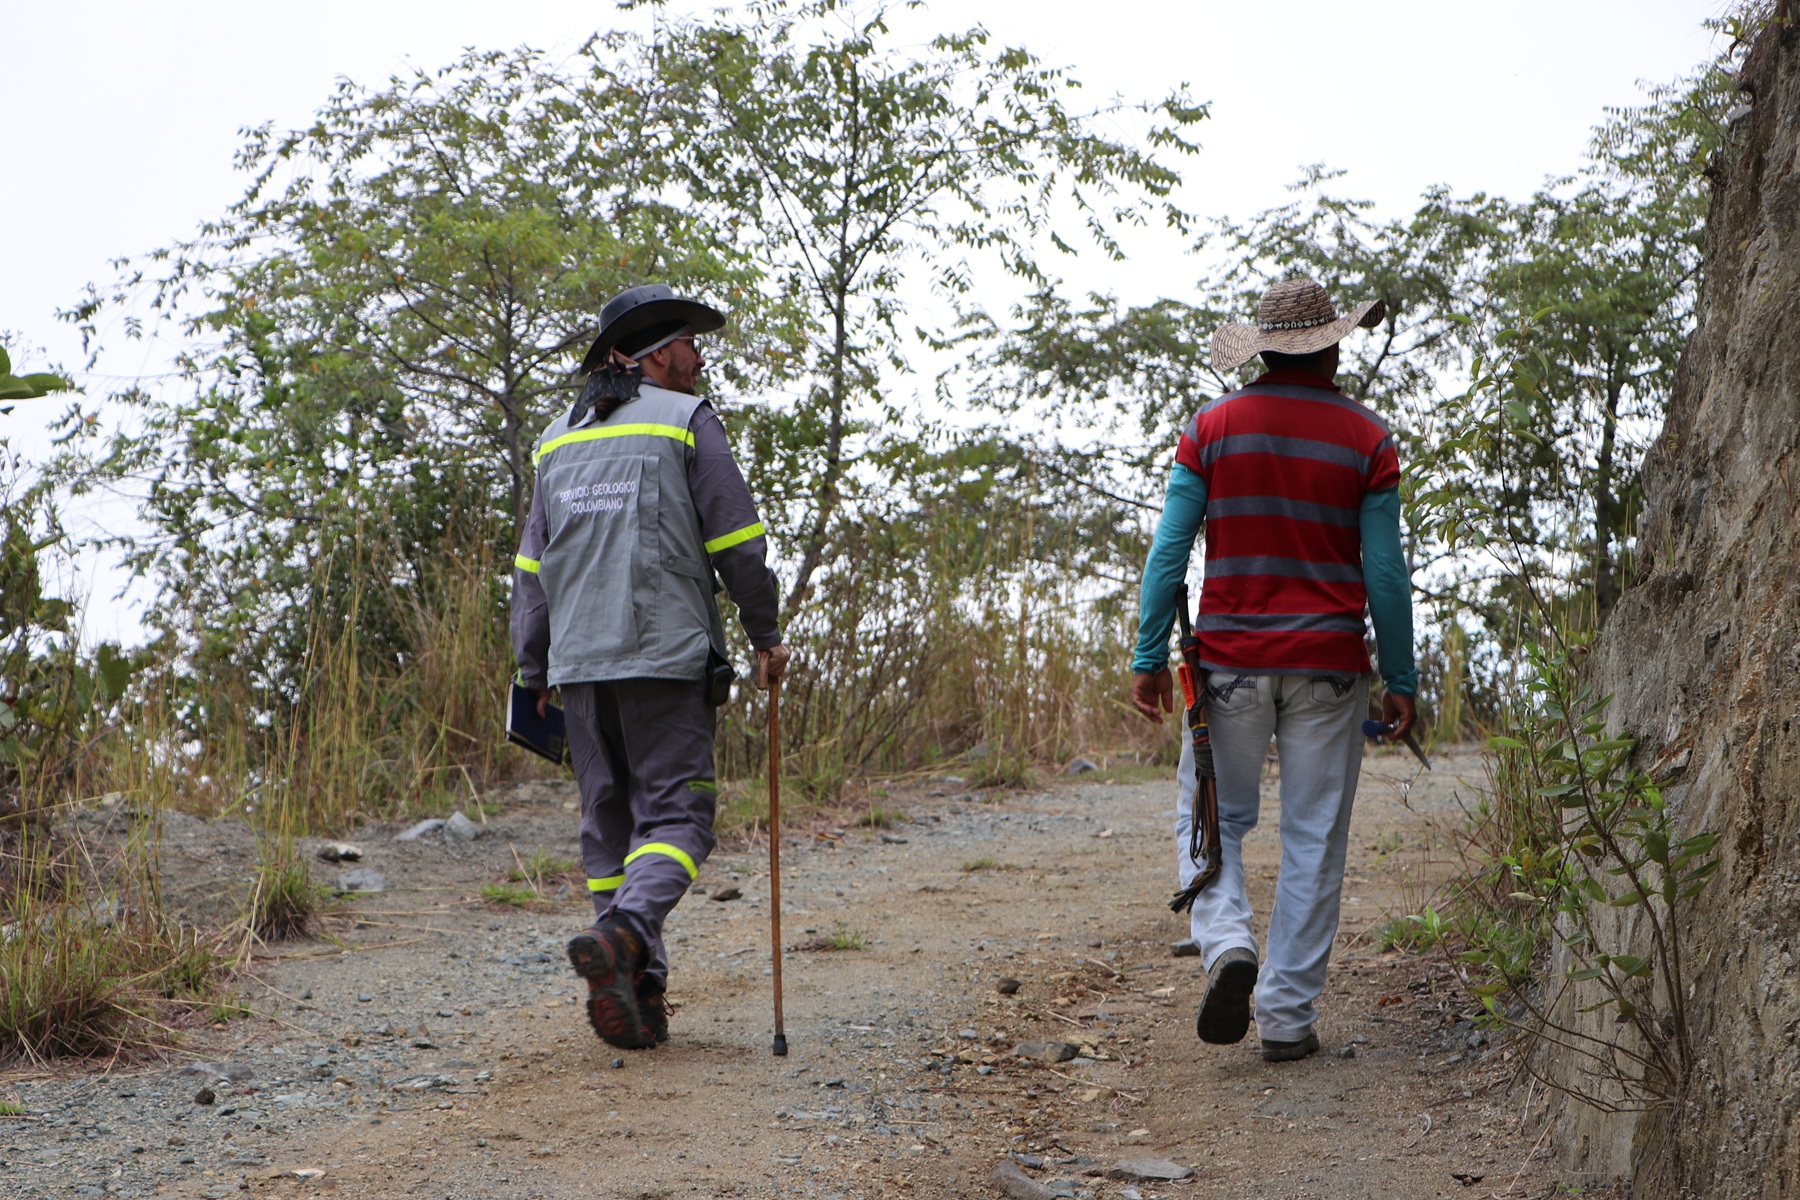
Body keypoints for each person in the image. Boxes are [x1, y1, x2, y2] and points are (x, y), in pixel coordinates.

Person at [1129, 276, 1416, 1063]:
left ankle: (1226, 946)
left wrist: (1148, 656)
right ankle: (1287, 1018)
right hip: (1330, 666)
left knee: (1211, 812)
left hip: (1228, 663)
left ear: (1262, 350)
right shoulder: (1369, 438)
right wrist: (1403, 677)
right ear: (1333, 344)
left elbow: (1169, 553)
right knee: (1315, 836)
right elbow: (1385, 574)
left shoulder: (1212, 428)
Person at [511, 283, 791, 1050]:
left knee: (610, 826)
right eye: (691, 345)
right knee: (677, 817)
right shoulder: (686, 421)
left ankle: (637, 988)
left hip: (577, 667)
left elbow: (531, 574)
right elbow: (737, 542)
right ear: (654, 355)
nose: (700, 359)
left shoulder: (555, 439)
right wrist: (765, 635)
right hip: (664, 659)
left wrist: (530, 673)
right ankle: (630, 933)